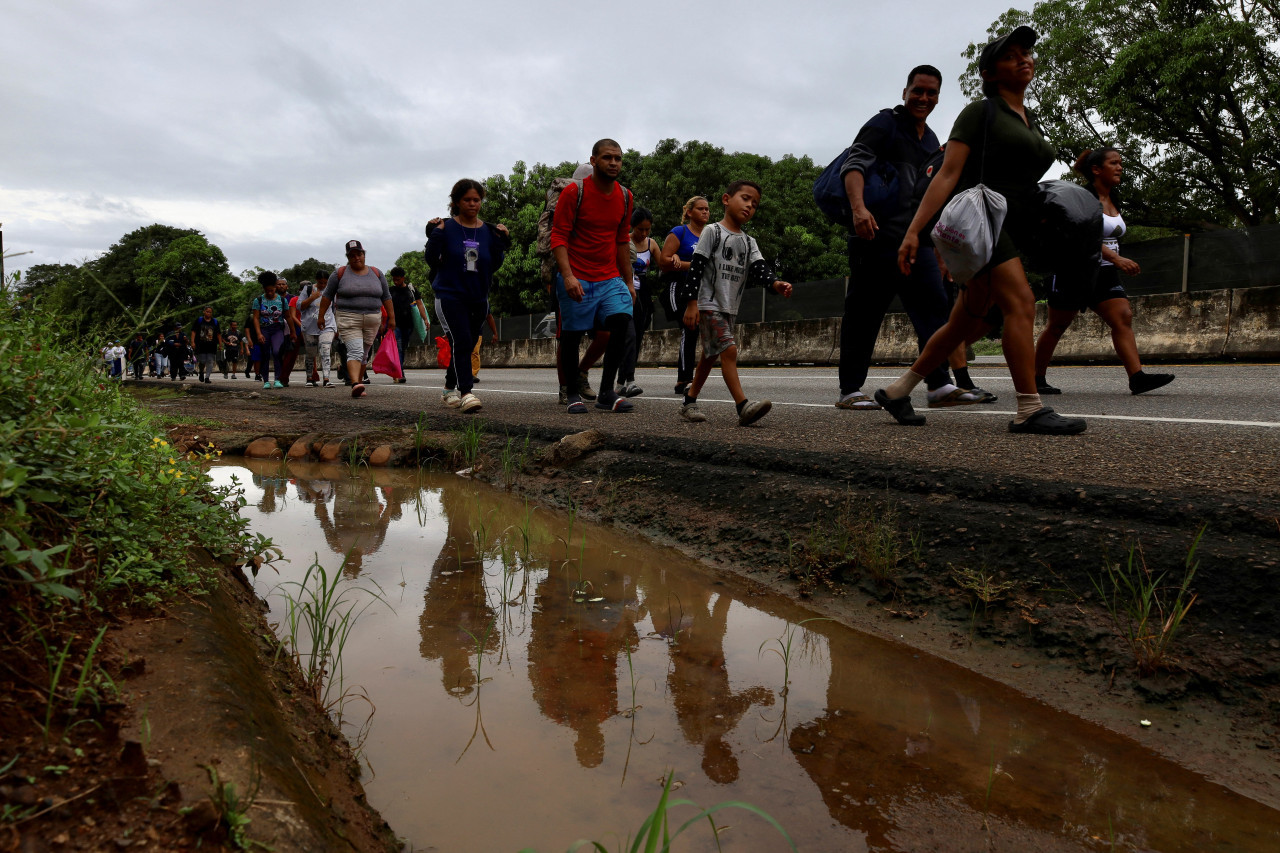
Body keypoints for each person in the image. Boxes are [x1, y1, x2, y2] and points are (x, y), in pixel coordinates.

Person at [879, 26, 1087, 435]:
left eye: (1025, 53)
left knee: (965, 323)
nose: (1023, 59)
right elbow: (947, 174)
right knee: (1021, 304)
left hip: (1016, 223)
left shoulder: (1029, 118)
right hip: (984, 224)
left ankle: (898, 389)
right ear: (990, 73)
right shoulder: (980, 112)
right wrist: (913, 233)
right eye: (1010, 56)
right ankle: (1029, 407)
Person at [837, 65, 981, 411]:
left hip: (918, 242)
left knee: (934, 311)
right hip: (875, 237)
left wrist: (942, 252)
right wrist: (858, 208)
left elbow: (932, 196)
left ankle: (939, 385)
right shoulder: (885, 123)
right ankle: (850, 389)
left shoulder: (931, 140)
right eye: (918, 90)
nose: (924, 98)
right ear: (905, 92)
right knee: (865, 314)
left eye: (931, 93)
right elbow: (853, 164)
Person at [1034, 147, 1176, 396]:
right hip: (1074, 270)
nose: (1120, 167)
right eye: (1114, 163)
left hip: (1105, 272)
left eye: (1121, 163)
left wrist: (1113, 260)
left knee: (1122, 317)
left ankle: (1137, 377)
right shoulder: (1082, 198)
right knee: (1057, 326)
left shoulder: (1114, 198)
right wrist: (1117, 258)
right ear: (1097, 170)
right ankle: (1035, 378)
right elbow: (1082, 236)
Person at [676, 180, 793, 425]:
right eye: (745, 198)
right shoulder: (712, 231)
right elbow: (696, 268)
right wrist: (691, 303)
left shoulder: (749, 242)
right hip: (709, 304)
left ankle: (689, 400)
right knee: (728, 349)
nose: (750, 206)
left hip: (730, 307)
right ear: (726, 199)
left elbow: (760, 268)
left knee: (709, 355)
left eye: (755, 204)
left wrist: (775, 283)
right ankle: (743, 406)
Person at [550, 140, 637, 414]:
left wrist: (627, 280)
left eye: (618, 158)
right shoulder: (574, 192)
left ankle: (606, 392)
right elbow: (559, 236)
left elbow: (622, 240)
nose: (613, 163)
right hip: (577, 276)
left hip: (609, 277)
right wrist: (568, 276)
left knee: (621, 321)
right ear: (594, 160)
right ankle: (573, 392)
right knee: (572, 336)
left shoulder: (625, 196)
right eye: (607, 158)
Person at [426, 178, 511, 413]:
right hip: (450, 295)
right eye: (467, 200)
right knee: (462, 340)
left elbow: (495, 263)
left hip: (478, 296)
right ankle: (466, 392)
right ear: (456, 202)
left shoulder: (488, 230)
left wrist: (501, 240)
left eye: (476, 200)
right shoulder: (445, 228)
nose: (472, 204)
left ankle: (448, 387)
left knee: (467, 343)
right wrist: (435, 235)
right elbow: (431, 259)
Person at [318, 240, 394, 398]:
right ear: (348, 257)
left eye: (359, 254)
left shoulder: (376, 273)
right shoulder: (339, 273)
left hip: (373, 318)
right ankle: (354, 382)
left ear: (364, 254)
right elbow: (327, 296)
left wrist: (391, 318)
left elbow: (386, 297)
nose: (356, 257)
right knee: (355, 351)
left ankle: (358, 384)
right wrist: (321, 316)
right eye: (352, 255)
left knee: (365, 353)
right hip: (348, 317)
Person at [659, 196, 711, 396]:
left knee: (701, 331)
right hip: (678, 286)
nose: (705, 212)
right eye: (700, 209)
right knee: (689, 328)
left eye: (707, 209)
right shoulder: (679, 232)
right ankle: (684, 379)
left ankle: (693, 378)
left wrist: (684, 263)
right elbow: (664, 262)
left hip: (702, 289)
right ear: (689, 212)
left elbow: (711, 265)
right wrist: (691, 265)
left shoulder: (709, 235)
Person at [615, 206, 660, 398]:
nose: (643, 233)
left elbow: (664, 264)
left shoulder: (652, 244)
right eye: (640, 229)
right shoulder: (624, 241)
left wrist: (675, 259)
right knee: (628, 336)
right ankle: (628, 381)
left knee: (637, 337)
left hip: (643, 296)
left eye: (647, 229)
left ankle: (620, 383)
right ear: (632, 227)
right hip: (623, 292)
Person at [250, 271, 295, 389]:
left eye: (272, 290)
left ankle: (277, 379)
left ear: (275, 288)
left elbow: (288, 316)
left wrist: (293, 331)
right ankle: (266, 380)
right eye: (267, 291)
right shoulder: (258, 300)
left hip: (277, 329)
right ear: (264, 289)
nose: (270, 293)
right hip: (264, 330)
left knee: (276, 352)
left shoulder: (282, 300)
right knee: (265, 354)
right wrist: (259, 333)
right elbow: (255, 318)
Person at [388, 265, 430, 384]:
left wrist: (425, 319)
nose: (395, 282)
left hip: (409, 324)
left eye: (398, 279)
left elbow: (420, 305)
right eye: (394, 279)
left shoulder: (411, 290)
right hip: (395, 324)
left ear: (403, 278)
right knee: (399, 347)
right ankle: (400, 373)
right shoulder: (390, 291)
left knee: (403, 348)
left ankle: (397, 371)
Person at [296, 269, 338, 388]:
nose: (323, 285)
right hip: (309, 326)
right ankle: (309, 378)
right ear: (316, 281)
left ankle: (326, 378)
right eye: (321, 283)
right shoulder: (308, 289)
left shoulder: (332, 291)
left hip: (327, 324)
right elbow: (299, 306)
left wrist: (337, 326)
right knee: (311, 353)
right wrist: (312, 298)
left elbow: (335, 309)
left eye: (325, 283)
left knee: (325, 350)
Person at [190, 305, 221, 384]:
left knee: (210, 361)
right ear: (204, 312)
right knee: (202, 361)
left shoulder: (215, 322)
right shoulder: (199, 320)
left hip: (212, 344)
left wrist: (220, 343)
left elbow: (218, 333)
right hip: (201, 344)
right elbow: (193, 331)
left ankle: (207, 377)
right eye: (207, 312)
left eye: (210, 312)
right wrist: (192, 342)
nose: (208, 313)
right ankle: (201, 372)